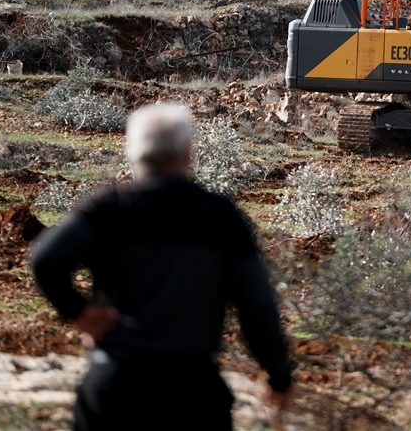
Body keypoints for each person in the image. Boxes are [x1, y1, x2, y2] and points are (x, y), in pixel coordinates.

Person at [31, 102, 294, 431]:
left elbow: (45, 260)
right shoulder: (220, 216)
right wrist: (278, 374)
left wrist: (78, 311)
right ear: (188, 153)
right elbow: (256, 306)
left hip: (115, 385)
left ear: (134, 153)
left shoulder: (110, 209)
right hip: (191, 391)